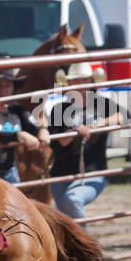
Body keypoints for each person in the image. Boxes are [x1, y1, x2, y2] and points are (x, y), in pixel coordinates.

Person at [39, 62, 125, 219]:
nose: (80, 85)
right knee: (65, 219)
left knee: (73, 199)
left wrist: (97, 124)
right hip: (61, 173)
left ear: (91, 83)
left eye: (84, 80)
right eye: (76, 81)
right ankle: (75, 242)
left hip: (94, 171)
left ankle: (83, 243)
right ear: (69, 84)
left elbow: (124, 117)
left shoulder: (102, 104)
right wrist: (75, 131)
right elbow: (60, 143)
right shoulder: (60, 108)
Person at [0, 67, 46, 185]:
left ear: (12, 88)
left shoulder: (17, 109)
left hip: (9, 169)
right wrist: (19, 135)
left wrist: (42, 130)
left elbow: (33, 125)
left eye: (7, 85)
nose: (3, 90)